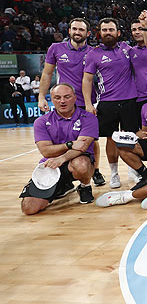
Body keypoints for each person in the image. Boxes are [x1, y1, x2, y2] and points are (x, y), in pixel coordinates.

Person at [39, 18, 105, 186]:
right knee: (64, 137)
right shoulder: (55, 48)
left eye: (81, 30)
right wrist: (41, 96)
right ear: (69, 31)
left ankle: (95, 170)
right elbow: (47, 74)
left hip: (87, 102)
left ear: (88, 33)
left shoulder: (93, 51)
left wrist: (92, 104)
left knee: (92, 140)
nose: (77, 32)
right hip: (64, 101)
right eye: (74, 29)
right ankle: (65, 172)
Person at [20, 84, 98, 214]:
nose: (62, 101)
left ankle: (85, 186)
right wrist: (69, 144)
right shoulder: (41, 121)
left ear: (75, 98)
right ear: (51, 99)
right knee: (29, 208)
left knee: (81, 164)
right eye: (57, 97)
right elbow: (46, 151)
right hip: (51, 166)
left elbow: (81, 147)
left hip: (75, 161)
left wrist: (62, 158)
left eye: (67, 97)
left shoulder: (89, 118)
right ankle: (63, 186)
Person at [82, 18, 139, 189]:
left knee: (131, 137)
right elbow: (87, 80)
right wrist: (88, 104)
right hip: (107, 102)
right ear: (99, 33)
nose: (108, 33)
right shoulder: (93, 54)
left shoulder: (127, 49)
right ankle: (114, 174)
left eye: (111, 30)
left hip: (130, 100)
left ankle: (133, 170)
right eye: (105, 30)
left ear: (118, 33)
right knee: (111, 139)